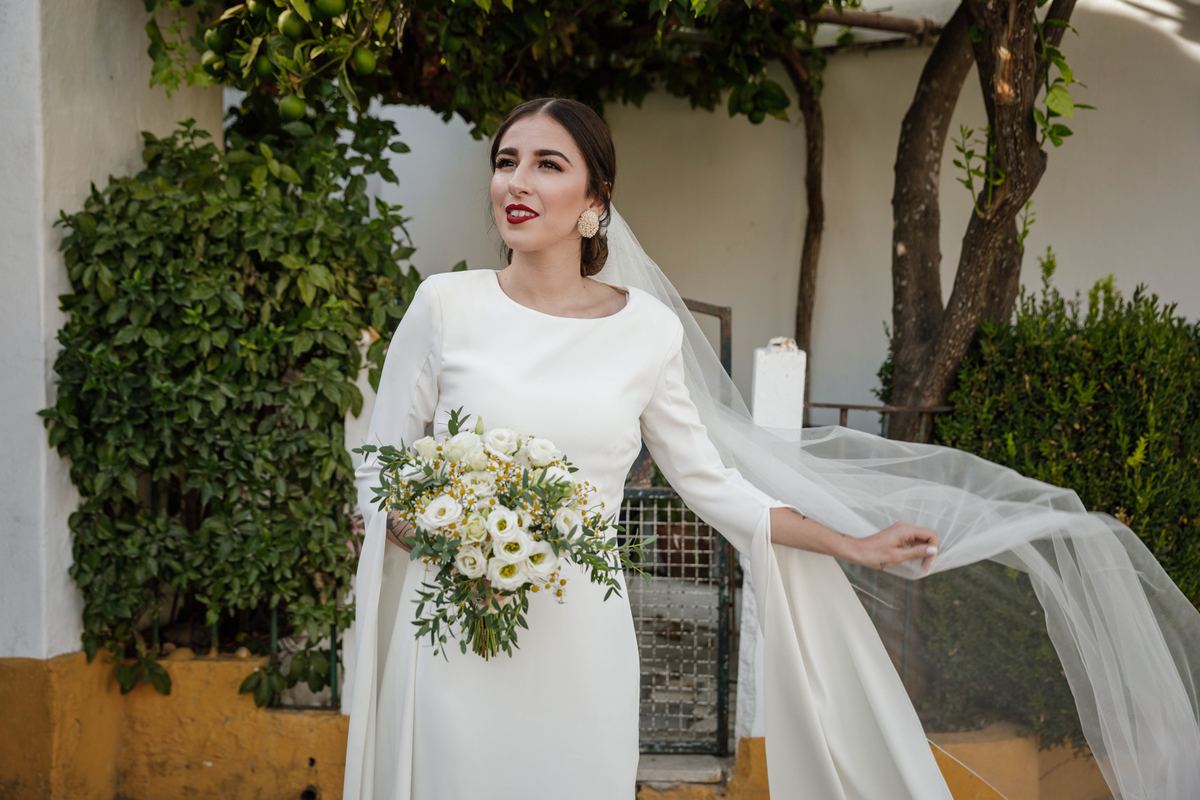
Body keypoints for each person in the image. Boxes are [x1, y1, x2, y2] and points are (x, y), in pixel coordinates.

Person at [344, 98, 1200, 800]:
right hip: (455, 629)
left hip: (580, 637)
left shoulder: (644, 331)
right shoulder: (444, 305)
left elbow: (713, 482)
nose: (517, 182)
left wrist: (850, 542)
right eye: (505, 161)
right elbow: (381, 471)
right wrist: (451, 543)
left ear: (596, 202)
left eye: (546, 163)